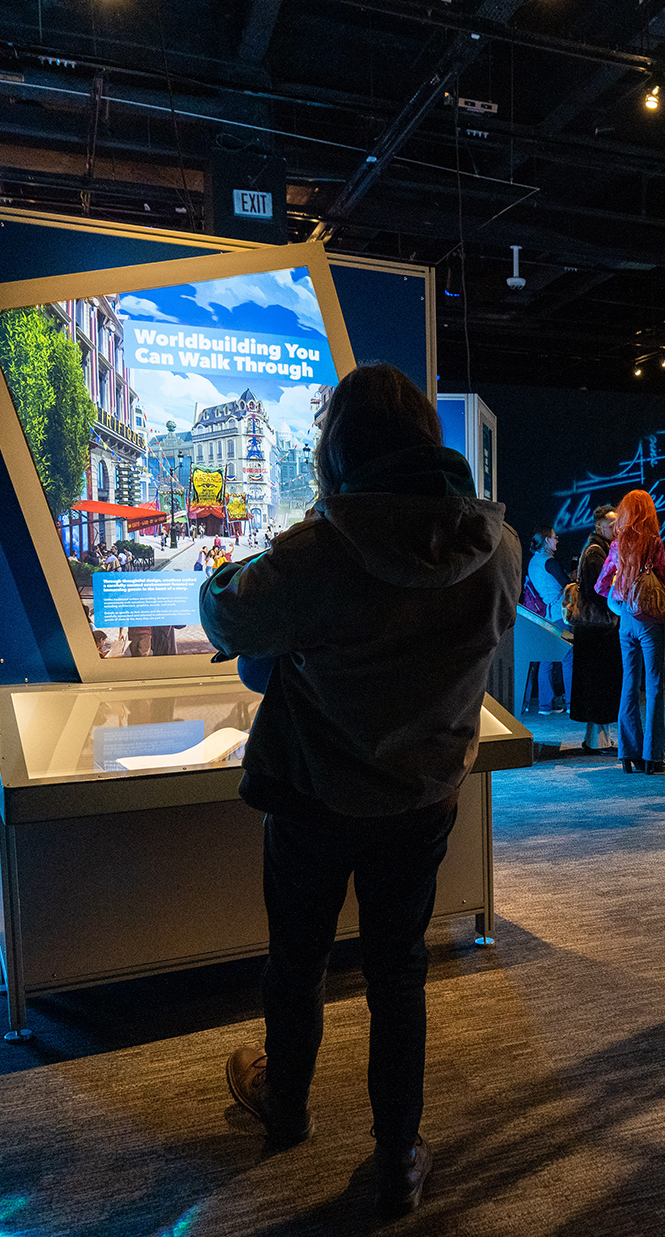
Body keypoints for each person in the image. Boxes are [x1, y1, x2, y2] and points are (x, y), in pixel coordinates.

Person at [200, 362, 518, 1217]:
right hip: (423, 800)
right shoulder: (499, 544)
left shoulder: (322, 547)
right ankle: (400, 1152)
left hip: (313, 796)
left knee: (297, 961)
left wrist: (221, 572)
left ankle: (288, 1107)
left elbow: (229, 616)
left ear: (339, 445)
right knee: (400, 970)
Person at [595, 489, 665, 774]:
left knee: (629, 684)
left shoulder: (617, 544)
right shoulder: (653, 541)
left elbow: (601, 584)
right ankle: (654, 756)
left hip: (626, 620)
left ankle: (628, 754)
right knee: (654, 687)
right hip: (649, 620)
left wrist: (622, 595)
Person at [569, 506, 622, 754]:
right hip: (597, 632)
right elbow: (599, 592)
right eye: (612, 525)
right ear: (599, 526)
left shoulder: (597, 549)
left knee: (597, 686)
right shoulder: (596, 553)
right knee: (600, 685)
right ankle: (598, 742)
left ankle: (597, 740)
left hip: (593, 631)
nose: (616, 529)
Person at [522, 525, 572, 714]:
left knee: (546, 659)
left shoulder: (533, 562)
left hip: (545, 616)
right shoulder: (550, 562)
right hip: (560, 613)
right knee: (568, 658)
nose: (557, 540)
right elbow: (567, 584)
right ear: (546, 541)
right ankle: (571, 704)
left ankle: (545, 705)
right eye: (554, 537)